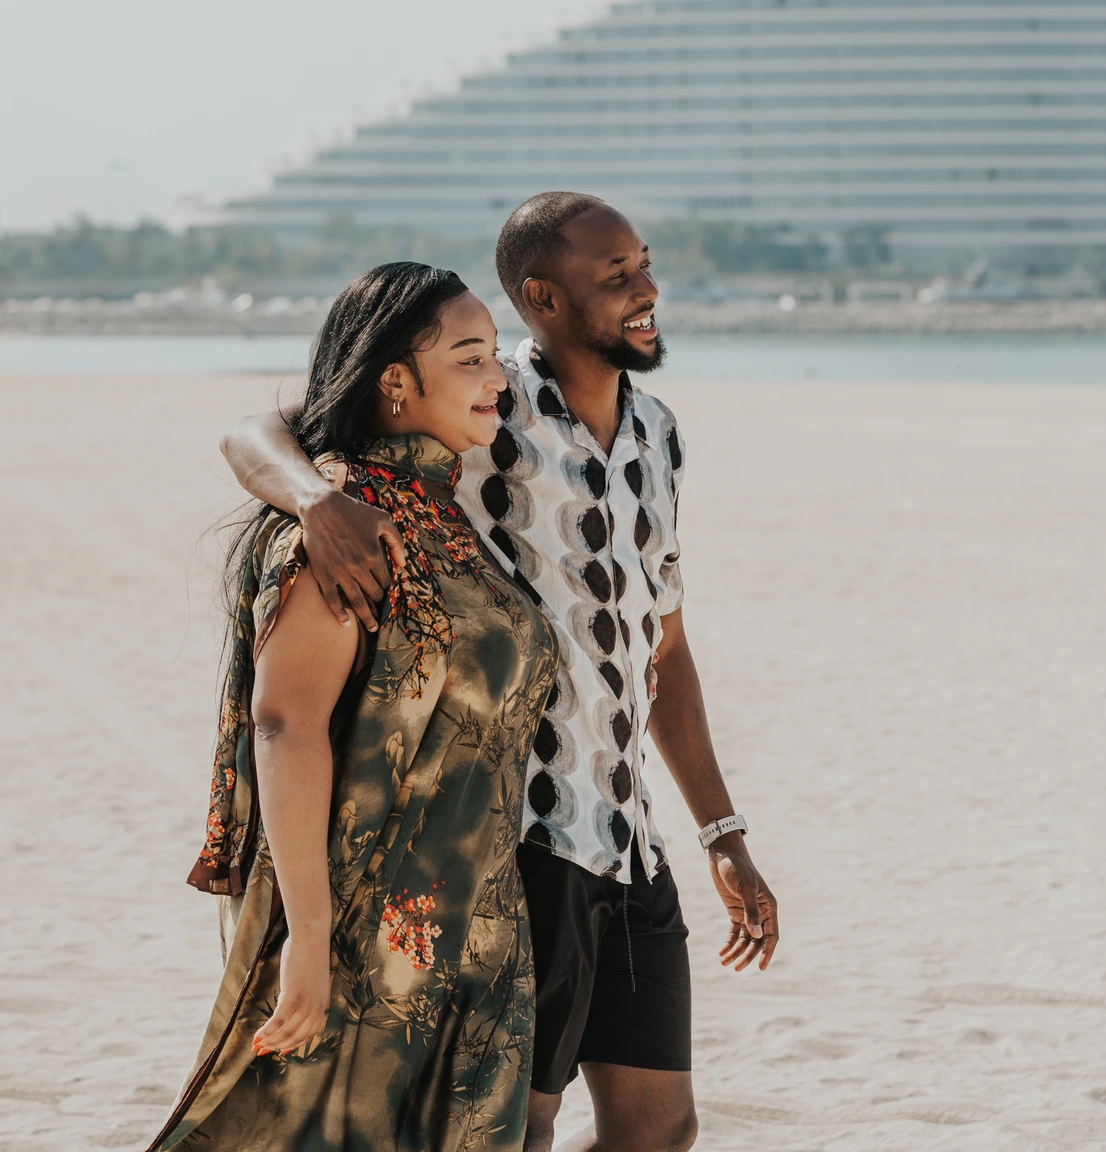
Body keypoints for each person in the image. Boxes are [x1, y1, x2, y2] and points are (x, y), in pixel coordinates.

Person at [221, 193, 779, 1152]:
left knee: (661, 1128)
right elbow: (260, 431)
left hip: (629, 838)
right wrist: (317, 500)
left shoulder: (660, 434)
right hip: (524, 838)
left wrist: (720, 830)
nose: (648, 291)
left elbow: (665, 649)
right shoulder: (485, 401)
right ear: (543, 298)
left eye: (645, 265)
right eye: (617, 277)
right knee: (513, 1126)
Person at [148, 262, 558, 1152]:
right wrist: (306, 937)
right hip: (361, 933)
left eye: (496, 356)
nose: (499, 379)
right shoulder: (347, 522)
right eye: (471, 358)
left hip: (476, 930)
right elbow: (285, 723)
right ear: (396, 383)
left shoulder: (442, 511)